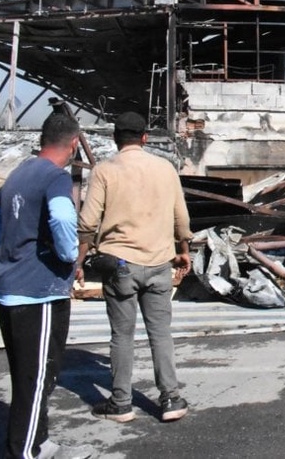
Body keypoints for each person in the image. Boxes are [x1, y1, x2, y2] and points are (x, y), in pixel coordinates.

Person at [77, 111, 193, 423]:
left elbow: (87, 223)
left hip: (120, 266)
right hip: (158, 263)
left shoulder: (104, 170)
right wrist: (184, 251)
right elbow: (181, 218)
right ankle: (171, 399)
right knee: (160, 333)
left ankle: (121, 403)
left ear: (116, 138)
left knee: (122, 335)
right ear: (144, 137)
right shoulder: (165, 169)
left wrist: (78, 262)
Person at [0, 113, 93, 459]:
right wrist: (68, 257)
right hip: (39, 293)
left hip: (9, 287)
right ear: (75, 143)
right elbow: (64, 217)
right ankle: (25, 451)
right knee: (38, 380)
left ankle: (41, 442)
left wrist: (5, 247)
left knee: (26, 375)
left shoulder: (20, 173)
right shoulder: (55, 178)